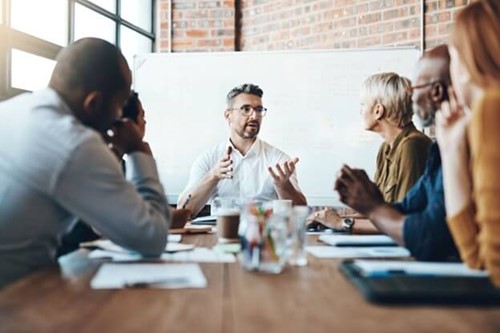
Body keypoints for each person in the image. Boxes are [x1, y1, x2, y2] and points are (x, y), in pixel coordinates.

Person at [0, 38, 171, 288]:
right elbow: (151, 238)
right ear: (94, 103)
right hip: (16, 300)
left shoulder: (11, 110)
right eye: (120, 105)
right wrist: (137, 151)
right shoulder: (74, 143)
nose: (120, 116)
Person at [333, 45, 459, 261]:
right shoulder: (437, 148)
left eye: (415, 88)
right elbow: (401, 208)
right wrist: (356, 209)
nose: (411, 98)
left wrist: (346, 221)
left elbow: (414, 225)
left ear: (378, 110)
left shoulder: (415, 146)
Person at [309, 73, 431, 231]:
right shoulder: (386, 148)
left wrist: (342, 223)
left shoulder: (412, 146)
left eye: (363, 104)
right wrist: (328, 219)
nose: (361, 111)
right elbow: (378, 212)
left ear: (378, 110)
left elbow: (401, 220)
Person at [436, 0, 500, 286]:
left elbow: (486, 262)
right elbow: (479, 259)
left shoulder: (492, 107)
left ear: (465, 64)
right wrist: (451, 149)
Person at [178, 83, 307, 216]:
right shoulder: (209, 159)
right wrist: (213, 176)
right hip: (221, 234)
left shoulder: (279, 161)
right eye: (246, 109)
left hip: (263, 234)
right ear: (228, 115)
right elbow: (184, 211)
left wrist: (284, 186)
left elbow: (301, 212)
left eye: (258, 110)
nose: (254, 116)